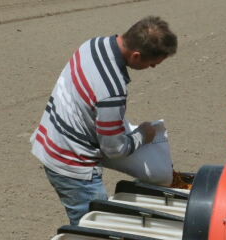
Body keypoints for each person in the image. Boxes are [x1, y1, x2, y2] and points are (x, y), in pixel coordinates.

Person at [30, 16, 177, 225]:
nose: (152, 67)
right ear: (136, 56)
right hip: (72, 163)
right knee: (95, 228)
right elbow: (114, 149)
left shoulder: (92, 45)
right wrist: (143, 134)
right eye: (152, 63)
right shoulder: (111, 91)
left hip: (51, 138)